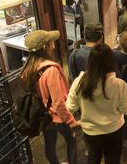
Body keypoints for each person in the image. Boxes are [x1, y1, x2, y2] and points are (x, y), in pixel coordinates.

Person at [66, 44, 127, 164]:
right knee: (112, 159)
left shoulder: (79, 82)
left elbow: (70, 108)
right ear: (111, 61)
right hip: (114, 129)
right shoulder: (120, 84)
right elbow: (126, 110)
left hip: (91, 131)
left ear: (90, 61)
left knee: (94, 157)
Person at [21, 30, 78, 164]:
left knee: (49, 147)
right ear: (45, 47)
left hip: (44, 117)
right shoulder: (50, 70)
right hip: (57, 118)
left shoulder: (27, 69)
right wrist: (71, 121)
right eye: (50, 42)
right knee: (72, 141)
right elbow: (58, 103)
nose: (53, 45)